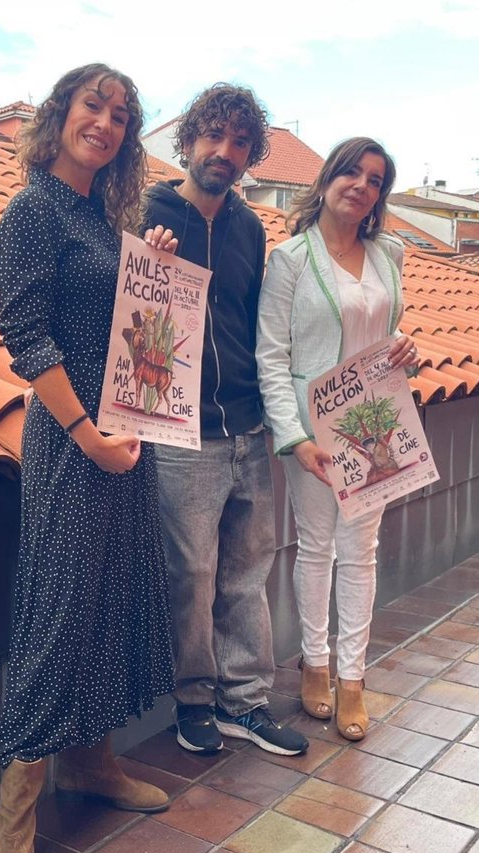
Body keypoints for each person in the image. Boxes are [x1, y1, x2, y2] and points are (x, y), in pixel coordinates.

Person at [0, 63, 179, 853]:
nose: (105, 122)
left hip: (126, 435)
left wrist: (151, 269)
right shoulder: (31, 211)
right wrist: (87, 437)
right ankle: (14, 831)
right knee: (58, 615)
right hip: (73, 442)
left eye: (121, 115)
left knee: (110, 597)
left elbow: (130, 330)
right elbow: (27, 338)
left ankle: (92, 765)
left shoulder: (104, 219)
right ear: (61, 113)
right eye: (93, 105)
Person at [141, 84, 309, 758]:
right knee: (191, 575)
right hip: (180, 433)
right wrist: (145, 261)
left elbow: (254, 322)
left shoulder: (249, 227)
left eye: (240, 142)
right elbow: (125, 320)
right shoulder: (146, 214)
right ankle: (194, 703)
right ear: (188, 141)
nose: (225, 152)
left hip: (248, 426)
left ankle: (246, 702)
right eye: (213, 136)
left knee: (246, 572)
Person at [255, 137, 419, 742]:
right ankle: (315, 664)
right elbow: (271, 357)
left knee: (361, 551)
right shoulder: (290, 260)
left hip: (374, 423)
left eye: (375, 180)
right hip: (314, 431)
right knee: (316, 547)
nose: (361, 186)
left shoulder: (389, 254)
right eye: (352, 172)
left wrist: (406, 349)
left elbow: (382, 331)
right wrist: (294, 437)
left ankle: (353, 677)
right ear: (327, 180)